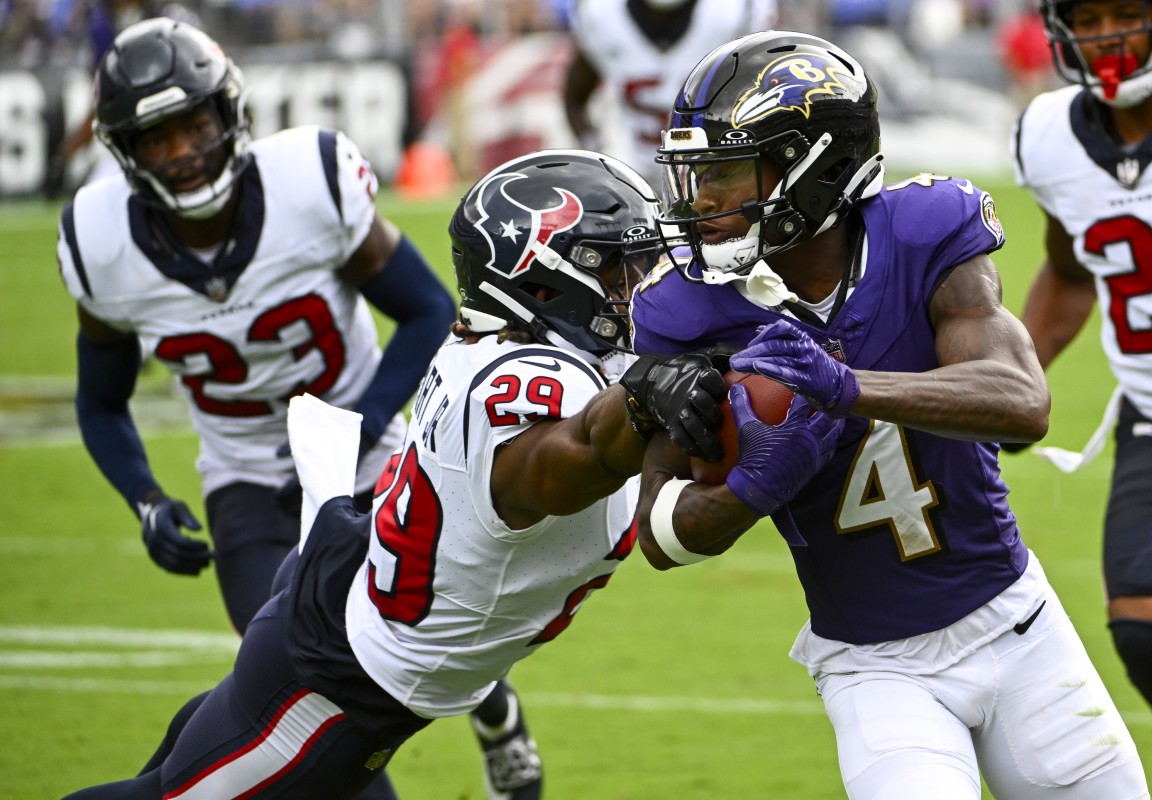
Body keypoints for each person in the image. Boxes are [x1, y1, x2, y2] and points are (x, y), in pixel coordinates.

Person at [60, 147, 727, 800]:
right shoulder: (527, 383)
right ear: (545, 284)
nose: (642, 285)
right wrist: (646, 398)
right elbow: (576, 452)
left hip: (347, 594)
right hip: (337, 683)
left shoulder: (512, 344)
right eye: (619, 269)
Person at [628, 30, 1150, 798]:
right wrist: (750, 492)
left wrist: (849, 388)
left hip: (1017, 626)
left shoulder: (923, 232)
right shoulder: (688, 310)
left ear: (817, 169)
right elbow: (659, 533)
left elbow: (1023, 402)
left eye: (729, 174)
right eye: (696, 176)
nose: (702, 203)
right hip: (872, 665)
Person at [54, 18, 455, 800]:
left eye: (193, 125)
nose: (181, 152)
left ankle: (494, 711)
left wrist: (355, 426)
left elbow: (428, 311)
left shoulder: (313, 180)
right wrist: (145, 499)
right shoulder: (101, 244)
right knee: (312, 695)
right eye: (155, 138)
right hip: (246, 483)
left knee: (319, 691)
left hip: (370, 467)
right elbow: (101, 403)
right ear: (124, 153)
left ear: (228, 112)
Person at [1008, 0, 1152, 751]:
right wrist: (1014, 376)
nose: (1105, 37)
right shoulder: (1051, 135)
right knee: (1146, 630)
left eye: (1126, 13)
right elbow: (1069, 271)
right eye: (1085, 19)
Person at [562, 0, 777, 185]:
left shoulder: (735, 12)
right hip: (636, 174)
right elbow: (574, 99)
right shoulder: (602, 16)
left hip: (716, 174)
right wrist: (597, 146)